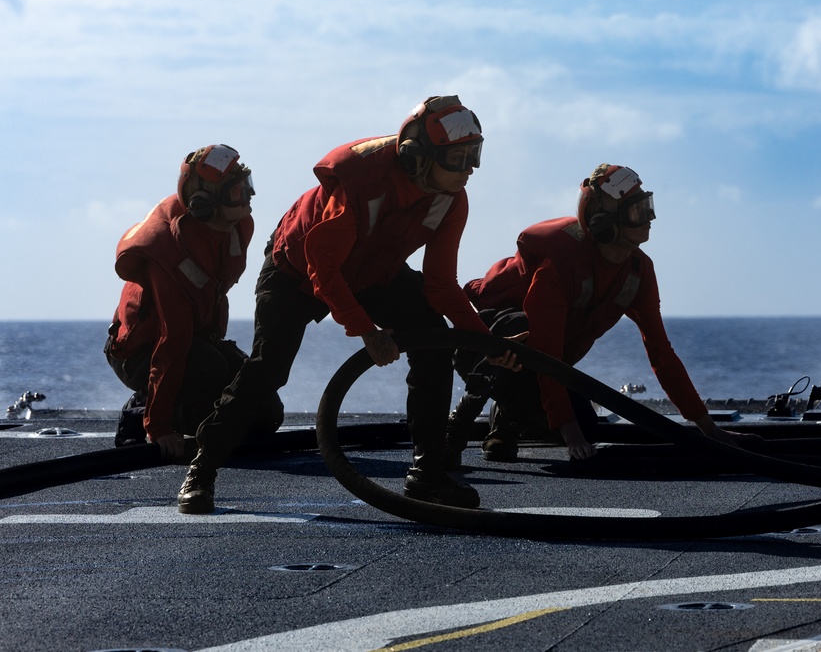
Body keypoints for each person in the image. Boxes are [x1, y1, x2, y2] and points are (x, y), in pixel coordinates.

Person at [176, 95, 518, 515]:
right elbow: (323, 267)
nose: (470, 169)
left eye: (474, 156)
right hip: (294, 272)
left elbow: (442, 286)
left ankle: (427, 473)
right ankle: (202, 470)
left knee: (434, 344)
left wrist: (486, 343)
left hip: (372, 272)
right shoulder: (360, 177)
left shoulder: (452, 199)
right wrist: (367, 331)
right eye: (459, 158)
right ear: (417, 158)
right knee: (269, 369)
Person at [447, 163, 743, 465]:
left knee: (586, 425)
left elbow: (661, 354)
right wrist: (571, 438)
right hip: (486, 347)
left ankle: (512, 412)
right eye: (636, 212)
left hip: (549, 362)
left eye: (647, 207)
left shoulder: (638, 271)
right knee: (527, 340)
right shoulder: (559, 266)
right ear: (603, 223)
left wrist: (708, 429)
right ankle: (476, 424)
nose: (649, 219)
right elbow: (544, 351)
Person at [105, 145, 283, 459]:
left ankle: (166, 404)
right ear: (203, 205)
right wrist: (158, 427)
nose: (249, 197)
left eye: (247, 186)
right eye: (237, 191)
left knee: (266, 411)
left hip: (196, 341)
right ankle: (141, 412)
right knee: (212, 376)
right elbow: (171, 343)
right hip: (138, 352)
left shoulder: (237, 227)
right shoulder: (167, 251)